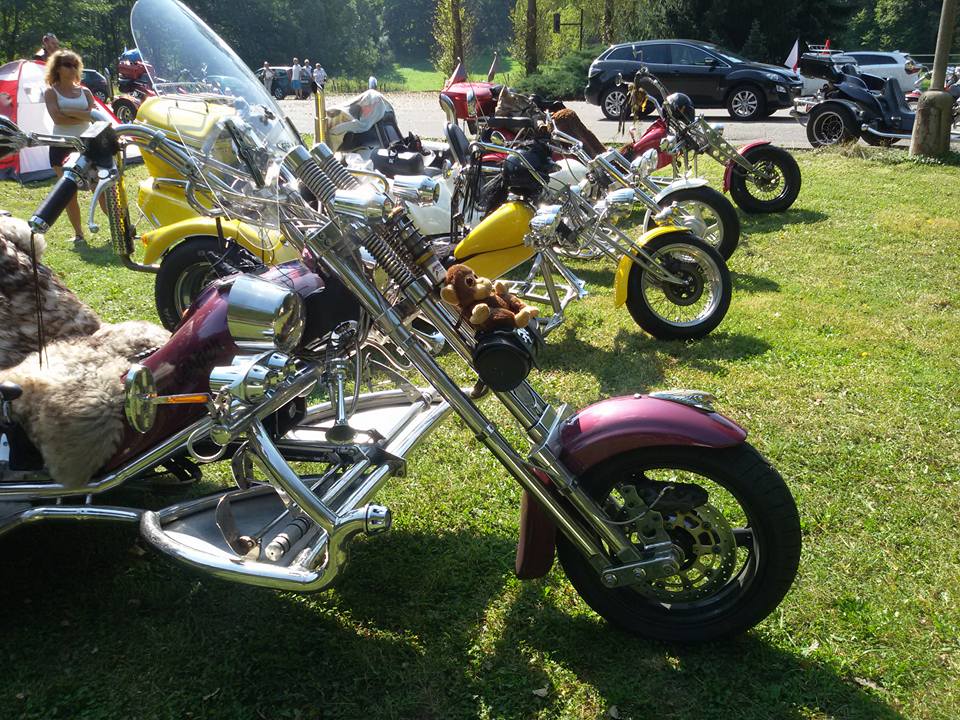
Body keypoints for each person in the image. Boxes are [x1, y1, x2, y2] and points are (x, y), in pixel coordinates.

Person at [43, 50, 98, 247]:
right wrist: (82, 114)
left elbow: (94, 116)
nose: (72, 68)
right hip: (61, 146)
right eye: (67, 64)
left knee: (99, 189)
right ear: (57, 68)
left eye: (75, 65)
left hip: (87, 145)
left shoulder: (85, 92)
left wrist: (68, 111)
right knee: (68, 193)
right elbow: (58, 119)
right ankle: (79, 234)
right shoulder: (51, 92)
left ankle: (119, 230)